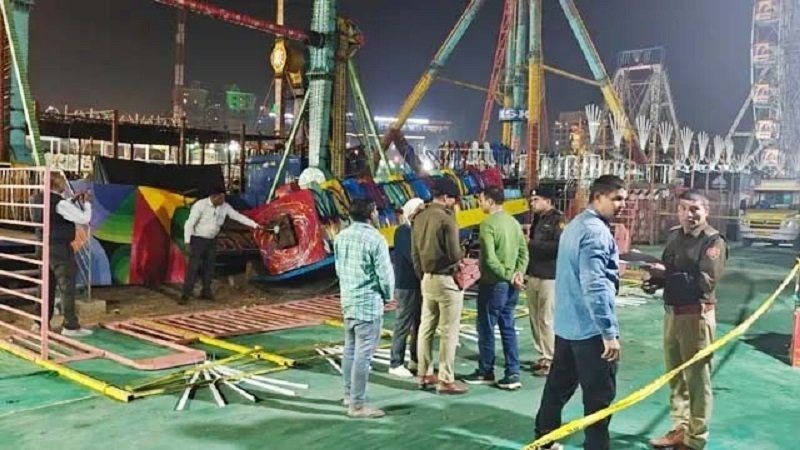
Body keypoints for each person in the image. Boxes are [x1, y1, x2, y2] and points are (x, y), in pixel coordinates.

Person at [534, 174, 627, 450]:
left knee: (557, 389)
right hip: (590, 331)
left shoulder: (575, 225)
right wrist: (608, 333)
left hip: (567, 326)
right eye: (617, 199)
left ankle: (544, 439)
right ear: (598, 197)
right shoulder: (596, 232)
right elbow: (594, 285)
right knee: (598, 399)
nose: (621, 205)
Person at [645, 190, 727, 450]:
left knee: (697, 380)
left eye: (695, 209)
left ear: (706, 211)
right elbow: (668, 268)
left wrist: (667, 275)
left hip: (696, 316)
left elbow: (705, 282)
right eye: (683, 208)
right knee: (676, 375)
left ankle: (696, 438)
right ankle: (680, 428)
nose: (688, 214)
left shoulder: (712, 241)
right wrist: (655, 280)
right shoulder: (674, 236)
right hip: (672, 313)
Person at [463, 186, 528, 390]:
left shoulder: (488, 224)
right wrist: (518, 274)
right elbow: (523, 252)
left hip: (493, 284)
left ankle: (486, 370)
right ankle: (513, 373)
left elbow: (490, 259)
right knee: (507, 327)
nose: (479, 203)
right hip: (512, 285)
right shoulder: (513, 222)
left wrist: (507, 276)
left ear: (490, 201)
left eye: (481, 200)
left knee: (486, 327)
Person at [334, 199, 394, 418]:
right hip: (368, 303)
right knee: (363, 355)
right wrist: (388, 295)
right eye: (376, 210)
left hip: (348, 300)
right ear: (371, 214)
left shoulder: (341, 237)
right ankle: (357, 405)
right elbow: (385, 274)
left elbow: (339, 268)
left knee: (350, 349)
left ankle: (349, 395)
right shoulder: (376, 239)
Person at [412, 177, 467, 395]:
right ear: (445, 197)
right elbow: (454, 254)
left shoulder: (419, 216)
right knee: (449, 331)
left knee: (426, 327)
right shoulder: (446, 219)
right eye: (453, 199)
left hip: (426, 278)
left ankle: (424, 373)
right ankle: (445, 379)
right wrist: (461, 256)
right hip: (446, 279)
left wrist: (422, 274)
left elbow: (415, 253)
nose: (454, 203)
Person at [33, 172, 93, 336]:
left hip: (43, 246)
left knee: (45, 286)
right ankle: (70, 325)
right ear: (59, 185)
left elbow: (55, 213)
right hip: (59, 248)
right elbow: (84, 218)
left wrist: (72, 201)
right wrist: (87, 203)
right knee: (67, 286)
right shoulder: (60, 203)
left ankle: (40, 323)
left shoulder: (37, 199)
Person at [181, 188, 261, 303]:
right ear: (213, 196)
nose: (223, 200)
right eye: (221, 198)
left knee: (209, 266)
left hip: (212, 240)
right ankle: (186, 294)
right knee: (193, 267)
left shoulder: (224, 207)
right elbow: (189, 224)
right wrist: (187, 242)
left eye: (224, 197)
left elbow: (238, 216)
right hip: (198, 239)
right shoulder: (200, 205)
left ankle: (206, 291)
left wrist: (255, 225)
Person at [526, 187, 565, 377]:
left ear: (548, 201)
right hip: (534, 272)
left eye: (536, 200)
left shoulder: (558, 220)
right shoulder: (537, 219)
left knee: (546, 318)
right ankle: (542, 355)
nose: (532, 203)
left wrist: (532, 244)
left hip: (549, 275)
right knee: (534, 318)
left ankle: (551, 358)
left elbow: (558, 246)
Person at [389, 198, 425, 378]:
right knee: (403, 323)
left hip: (418, 283)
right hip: (407, 285)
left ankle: (415, 359)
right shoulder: (403, 232)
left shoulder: (417, 231)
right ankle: (396, 362)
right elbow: (413, 257)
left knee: (419, 323)